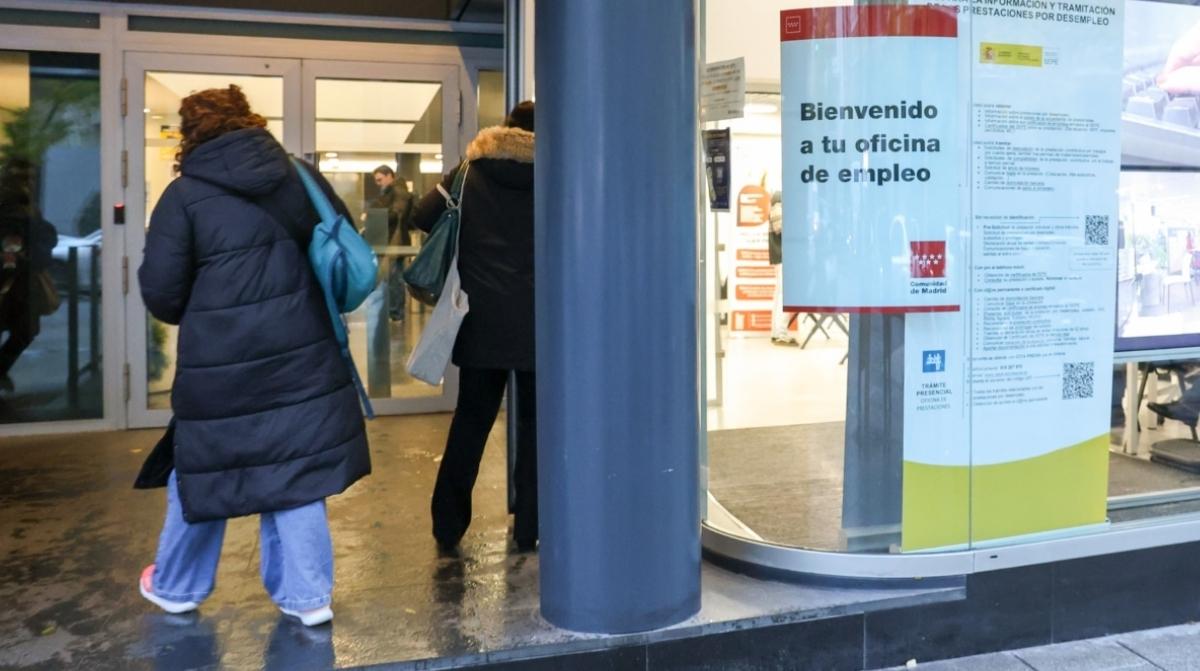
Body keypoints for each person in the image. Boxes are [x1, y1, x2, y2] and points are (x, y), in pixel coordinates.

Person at [136, 85, 370, 626]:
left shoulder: (184, 196)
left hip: (222, 364)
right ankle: (308, 596)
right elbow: (340, 249)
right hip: (302, 354)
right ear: (250, 120)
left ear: (190, 134)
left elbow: (163, 295)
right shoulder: (300, 177)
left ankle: (177, 585)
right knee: (297, 471)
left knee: (200, 468)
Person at [412, 101, 536, 552]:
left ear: (506, 129)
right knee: (536, 423)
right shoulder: (557, 175)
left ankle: (448, 526)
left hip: (479, 318)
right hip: (540, 322)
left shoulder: (470, 170)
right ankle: (529, 527)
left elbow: (421, 215)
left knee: (471, 422)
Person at [0, 158, 58, 394]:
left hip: (20, 279)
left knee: (26, 328)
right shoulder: (14, 202)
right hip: (12, 279)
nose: (29, 182)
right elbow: (33, 231)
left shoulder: (25, 203)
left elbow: (42, 233)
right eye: (25, 177)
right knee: (25, 328)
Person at [369, 165, 417, 321]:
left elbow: (395, 215)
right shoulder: (393, 192)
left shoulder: (398, 193)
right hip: (392, 241)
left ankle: (396, 313)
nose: (378, 183)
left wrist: (374, 215)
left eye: (380, 179)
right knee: (392, 279)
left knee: (394, 279)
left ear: (389, 175)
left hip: (395, 242)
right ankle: (393, 312)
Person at [767, 191, 796, 346]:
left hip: (781, 255)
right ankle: (781, 332)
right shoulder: (779, 200)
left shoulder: (778, 199)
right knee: (785, 294)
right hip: (784, 255)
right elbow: (780, 227)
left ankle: (777, 331)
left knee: (780, 294)